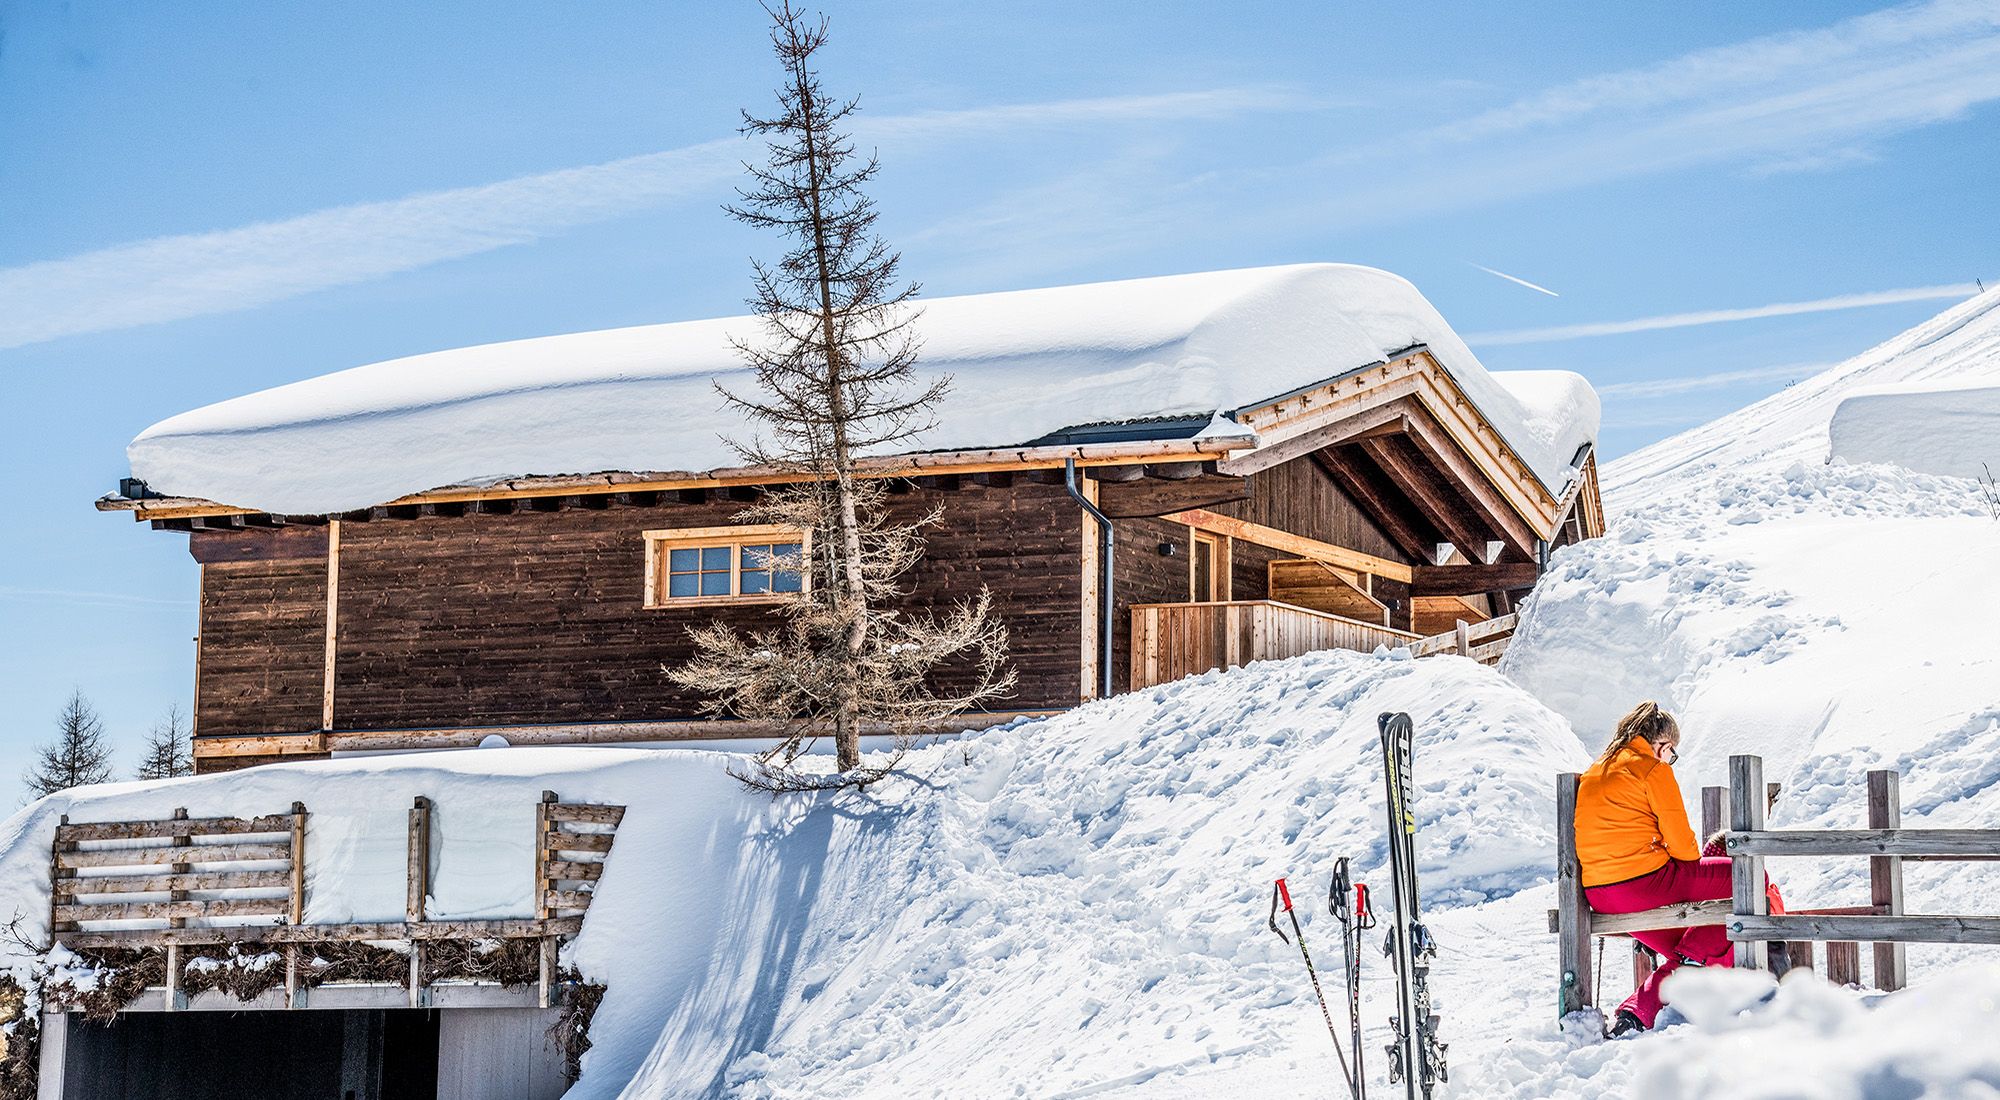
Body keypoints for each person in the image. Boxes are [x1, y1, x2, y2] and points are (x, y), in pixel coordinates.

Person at [1573, 701, 1734, 1036]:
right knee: (1750, 879)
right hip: (1644, 884)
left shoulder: (1595, 771)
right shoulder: (1650, 768)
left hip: (1600, 895)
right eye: (1671, 752)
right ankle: (1706, 973)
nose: (1669, 759)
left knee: (1694, 946)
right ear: (1661, 745)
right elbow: (1685, 850)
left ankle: (1636, 1013)